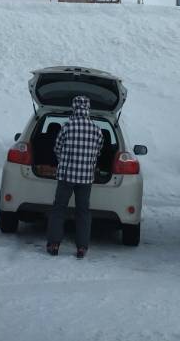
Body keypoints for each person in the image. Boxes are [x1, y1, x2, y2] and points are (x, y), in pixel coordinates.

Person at [46, 94, 103, 259]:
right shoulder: (96, 129)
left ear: (74, 107)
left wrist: (64, 160)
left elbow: (57, 148)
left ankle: (54, 244)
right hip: (86, 178)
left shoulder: (67, 126)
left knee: (59, 209)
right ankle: (82, 248)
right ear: (88, 108)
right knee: (83, 211)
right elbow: (98, 151)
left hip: (66, 175)